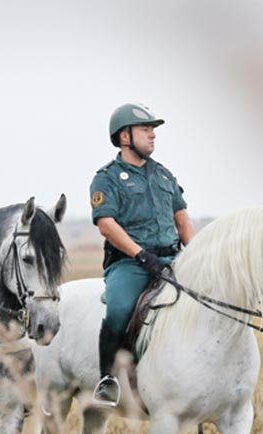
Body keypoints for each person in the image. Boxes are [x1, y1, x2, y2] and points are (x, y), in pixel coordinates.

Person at [90, 103, 195, 406]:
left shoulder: (164, 175)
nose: (153, 135)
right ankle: (107, 378)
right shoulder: (106, 178)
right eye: (146, 129)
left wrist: (198, 254)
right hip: (130, 263)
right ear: (125, 136)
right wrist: (141, 256)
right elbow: (107, 225)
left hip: (172, 258)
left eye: (154, 130)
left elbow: (183, 220)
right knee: (120, 309)